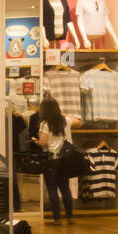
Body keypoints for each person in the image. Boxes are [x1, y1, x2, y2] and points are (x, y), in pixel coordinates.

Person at [29, 95, 81, 223]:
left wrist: (34, 140)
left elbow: (43, 143)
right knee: (65, 188)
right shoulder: (65, 121)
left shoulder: (44, 124)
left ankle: (56, 219)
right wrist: (64, 114)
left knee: (52, 189)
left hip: (51, 159)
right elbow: (79, 122)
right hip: (65, 159)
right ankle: (70, 217)